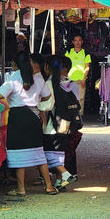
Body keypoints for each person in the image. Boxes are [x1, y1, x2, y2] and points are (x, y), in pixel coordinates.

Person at [0, 50, 58, 197]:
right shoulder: (38, 79)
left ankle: (21, 189)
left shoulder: (14, 77)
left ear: (15, 64)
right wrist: (36, 101)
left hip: (18, 117)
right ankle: (49, 186)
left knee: (18, 153)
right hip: (34, 116)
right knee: (39, 152)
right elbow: (47, 96)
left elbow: (0, 94)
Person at [39, 55, 77, 189]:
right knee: (59, 152)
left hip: (52, 124)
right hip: (65, 122)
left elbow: (48, 106)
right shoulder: (67, 82)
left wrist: (38, 105)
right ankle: (60, 181)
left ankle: (65, 174)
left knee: (46, 154)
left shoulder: (49, 83)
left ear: (46, 68)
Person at [66, 35, 91, 115]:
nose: (77, 42)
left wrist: (84, 79)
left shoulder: (86, 53)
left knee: (80, 98)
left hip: (81, 80)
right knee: (69, 99)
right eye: (75, 40)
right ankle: (70, 115)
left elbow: (87, 67)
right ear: (73, 42)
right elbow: (65, 66)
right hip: (70, 80)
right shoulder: (69, 52)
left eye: (79, 40)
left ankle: (79, 116)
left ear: (82, 42)